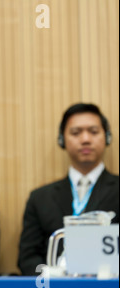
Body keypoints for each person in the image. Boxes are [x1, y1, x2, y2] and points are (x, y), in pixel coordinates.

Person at [18, 103, 119, 276]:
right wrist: (53, 276)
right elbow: (27, 258)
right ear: (62, 140)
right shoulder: (40, 198)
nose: (85, 139)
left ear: (107, 138)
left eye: (94, 132)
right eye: (76, 132)